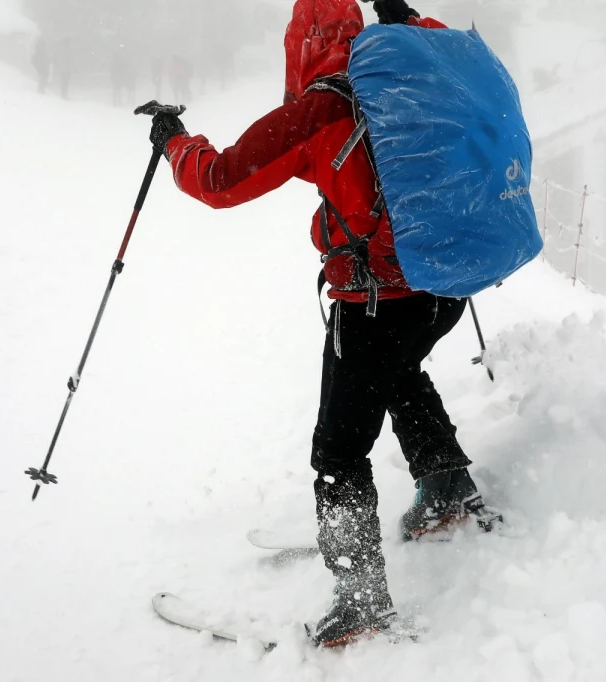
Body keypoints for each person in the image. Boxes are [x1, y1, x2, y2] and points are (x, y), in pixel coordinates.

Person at [141, 0, 501, 648]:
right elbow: (461, 58)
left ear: (299, 48)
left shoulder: (319, 109)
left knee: (338, 453)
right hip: (444, 288)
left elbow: (222, 178)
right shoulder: (409, 70)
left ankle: (360, 599)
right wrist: (408, 17)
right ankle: (444, 481)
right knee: (398, 371)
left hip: (376, 302)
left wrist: (173, 141)